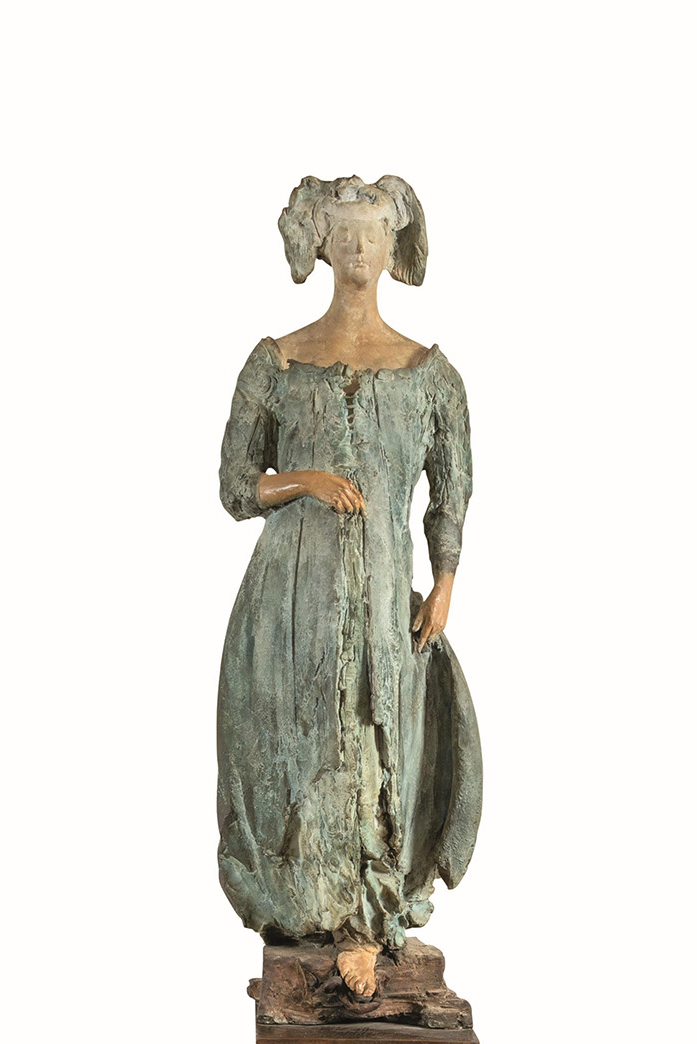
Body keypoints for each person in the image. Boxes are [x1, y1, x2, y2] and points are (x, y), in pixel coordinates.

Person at [217, 175, 482, 1000]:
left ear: (392, 245)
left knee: (376, 742)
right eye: (345, 232)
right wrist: (304, 478)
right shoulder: (276, 363)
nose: (360, 246)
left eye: (373, 232)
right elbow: (235, 487)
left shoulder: (429, 376)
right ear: (322, 245)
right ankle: (311, 911)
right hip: (288, 599)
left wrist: (444, 582)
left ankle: (367, 924)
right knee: (301, 748)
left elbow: (450, 492)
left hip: (383, 596)